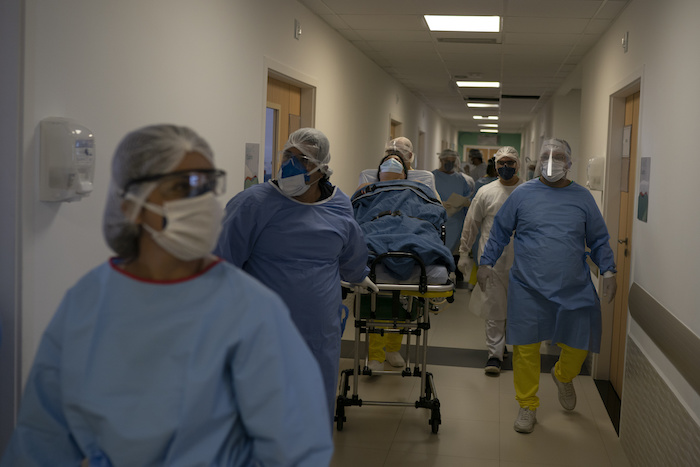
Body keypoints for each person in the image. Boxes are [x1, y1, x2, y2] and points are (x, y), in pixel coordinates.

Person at [0, 124, 333, 466]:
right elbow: (42, 438)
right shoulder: (90, 304)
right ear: (132, 204)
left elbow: (296, 438)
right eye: (180, 186)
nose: (199, 201)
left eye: (205, 184)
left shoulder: (250, 307)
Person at [214, 128, 377, 422]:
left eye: (302, 160)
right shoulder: (253, 203)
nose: (290, 164)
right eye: (288, 155)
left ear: (321, 169)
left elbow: (351, 248)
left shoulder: (339, 205)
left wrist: (358, 275)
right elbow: (222, 260)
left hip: (318, 331)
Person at [478, 138, 617, 434]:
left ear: (569, 163)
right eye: (545, 156)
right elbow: (500, 230)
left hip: (573, 285)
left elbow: (599, 238)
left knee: (580, 342)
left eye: (558, 156)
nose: (551, 161)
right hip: (528, 285)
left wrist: (608, 270)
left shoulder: (582, 197)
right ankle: (527, 404)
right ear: (536, 161)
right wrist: (485, 263)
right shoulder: (523, 194)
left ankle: (563, 375)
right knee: (526, 350)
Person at [458, 146, 523, 375]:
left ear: (518, 164)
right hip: (492, 261)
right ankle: (494, 355)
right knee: (494, 307)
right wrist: (464, 252)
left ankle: (506, 346)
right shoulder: (486, 192)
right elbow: (471, 223)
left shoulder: (527, 192)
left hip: (523, 263)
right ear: (495, 166)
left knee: (517, 309)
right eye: (501, 163)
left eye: (510, 163)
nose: (506, 167)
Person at [361, 154, 410, 372]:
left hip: (406, 239)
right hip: (375, 236)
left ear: (405, 172)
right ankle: (376, 356)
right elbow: (358, 214)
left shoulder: (416, 189)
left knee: (399, 303)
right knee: (377, 305)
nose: (391, 163)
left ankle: (392, 349)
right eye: (387, 160)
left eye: (396, 161)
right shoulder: (367, 188)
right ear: (378, 169)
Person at [432, 149, 472, 279]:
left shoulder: (460, 179)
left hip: (457, 221)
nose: (449, 163)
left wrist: (466, 202)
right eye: (446, 161)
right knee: (438, 251)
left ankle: (453, 277)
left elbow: (467, 196)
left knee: (455, 252)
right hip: (437, 220)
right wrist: (438, 203)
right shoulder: (432, 177)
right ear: (440, 160)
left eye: (452, 161)